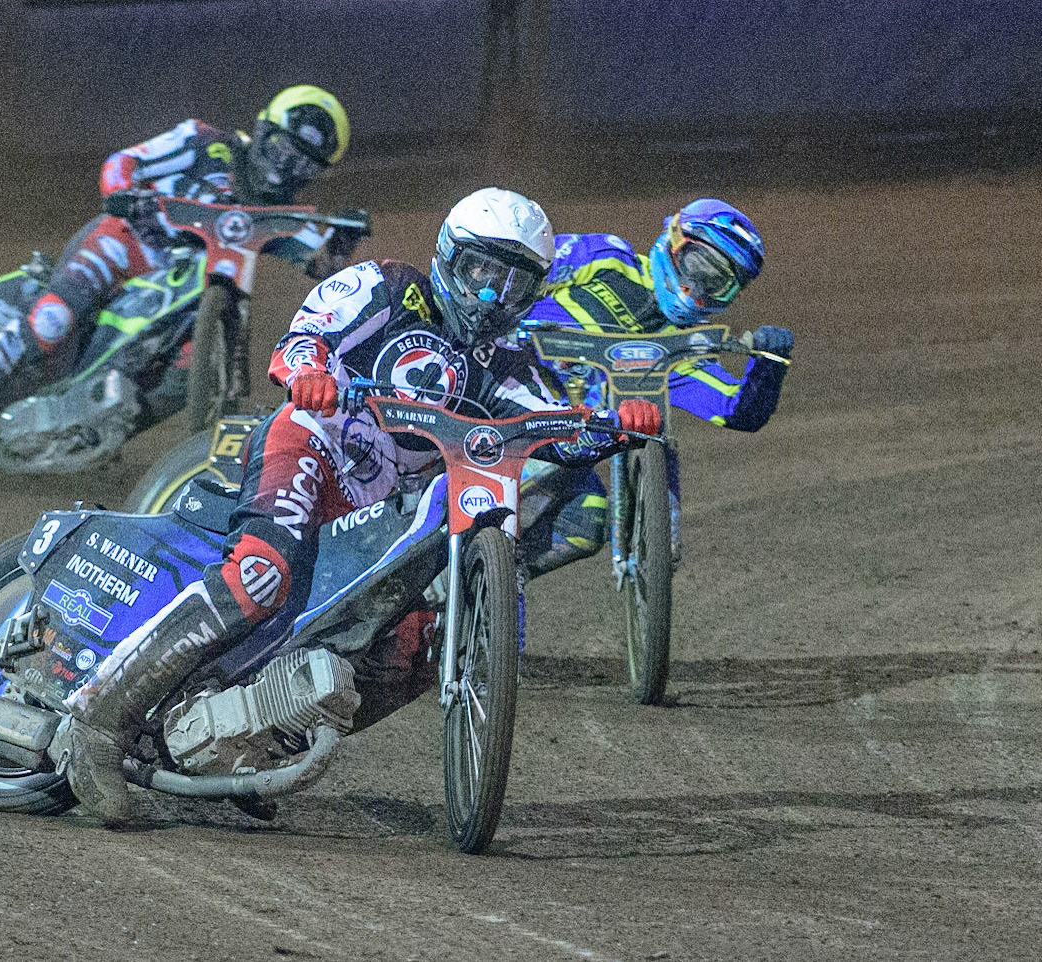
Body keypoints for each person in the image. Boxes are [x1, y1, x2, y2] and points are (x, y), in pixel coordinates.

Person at [59, 187, 663, 825]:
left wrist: (615, 426)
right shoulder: (384, 288)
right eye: (482, 272)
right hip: (313, 446)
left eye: (512, 284)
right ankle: (98, 727)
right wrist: (310, 373)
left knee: (417, 647)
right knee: (262, 573)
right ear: (449, 260)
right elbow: (305, 335)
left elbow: (550, 426)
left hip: (380, 508)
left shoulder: (511, 363)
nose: (490, 296)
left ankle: (258, 743)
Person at [0, 84, 355, 444]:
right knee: (52, 320)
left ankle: (89, 437)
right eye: (282, 149)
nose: (285, 167)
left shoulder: (279, 216)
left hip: (183, 297)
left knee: (185, 374)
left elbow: (323, 268)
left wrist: (338, 248)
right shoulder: (205, 142)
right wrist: (125, 189)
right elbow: (123, 162)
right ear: (263, 129)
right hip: (124, 246)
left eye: (302, 163)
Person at [518, 198, 794, 576]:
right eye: (698, 268)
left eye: (718, 285)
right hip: (504, 394)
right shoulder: (606, 257)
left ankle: (486, 587)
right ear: (675, 242)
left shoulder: (679, 356)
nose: (697, 290)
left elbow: (738, 410)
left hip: (562, 443)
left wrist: (770, 364)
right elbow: (522, 274)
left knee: (587, 521)